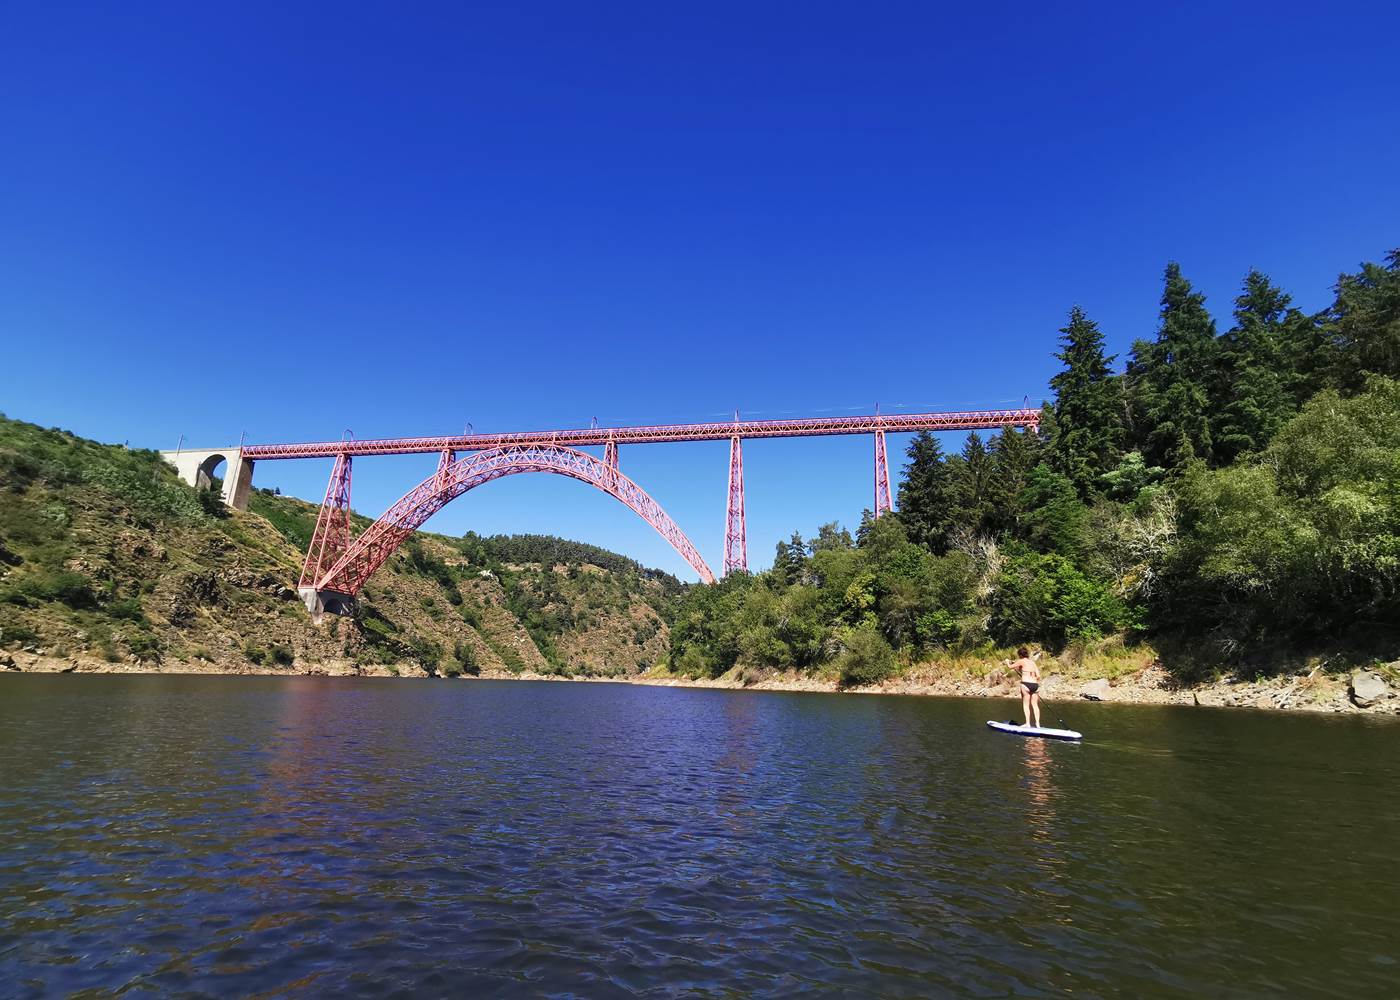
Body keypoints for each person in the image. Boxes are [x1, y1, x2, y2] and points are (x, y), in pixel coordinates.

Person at [1009, 646, 1042, 728]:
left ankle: (1028, 724)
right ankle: (1038, 724)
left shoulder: (1021, 661)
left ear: (1020, 655)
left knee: (1026, 705)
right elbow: (1038, 676)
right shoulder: (1033, 663)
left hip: (1026, 685)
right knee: (1035, 705)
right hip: (1035, 685)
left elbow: (1010, 667)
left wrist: (1007, 662)